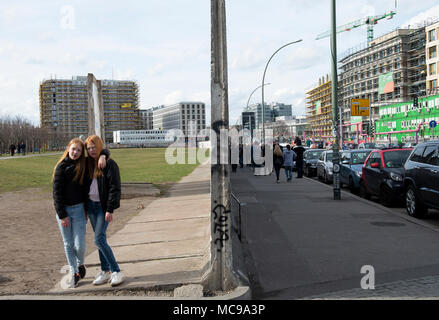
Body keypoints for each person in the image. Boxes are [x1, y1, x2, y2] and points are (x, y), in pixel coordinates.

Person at [52, 138, 108, 289]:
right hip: (63, 211)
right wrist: (62, 215)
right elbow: (56, 194)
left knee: (80, 246)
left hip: (79, 210)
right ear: (68, 148)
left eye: (78, 150)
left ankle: (80, 264)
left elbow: (99, 151)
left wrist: (103, 155)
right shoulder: (61, 167)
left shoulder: (83, 164)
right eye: (73, 149)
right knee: (68, 243)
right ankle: (74, 271)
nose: (75, 152)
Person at [84, 135, 125, 287]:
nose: (91, 150)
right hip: (91, 206)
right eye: (88, 148)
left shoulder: (109, 164)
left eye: (94, 147)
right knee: (100, 240)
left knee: (98, 240)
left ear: (100, 146)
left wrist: (110, 209)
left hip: (103, 208)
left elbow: (115, 188)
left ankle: (116, 271)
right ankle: (105, 271)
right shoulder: (89, 163)